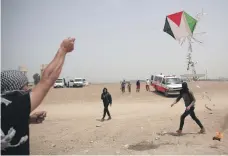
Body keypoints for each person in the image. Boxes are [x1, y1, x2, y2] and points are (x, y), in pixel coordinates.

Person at [1, 37, 75, 155]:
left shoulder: (5, 110)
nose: (27, 89)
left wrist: (27, 119)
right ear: (13, 90)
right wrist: (63, 50)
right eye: (24, 86)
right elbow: (47, 79)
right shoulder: (14, 104)